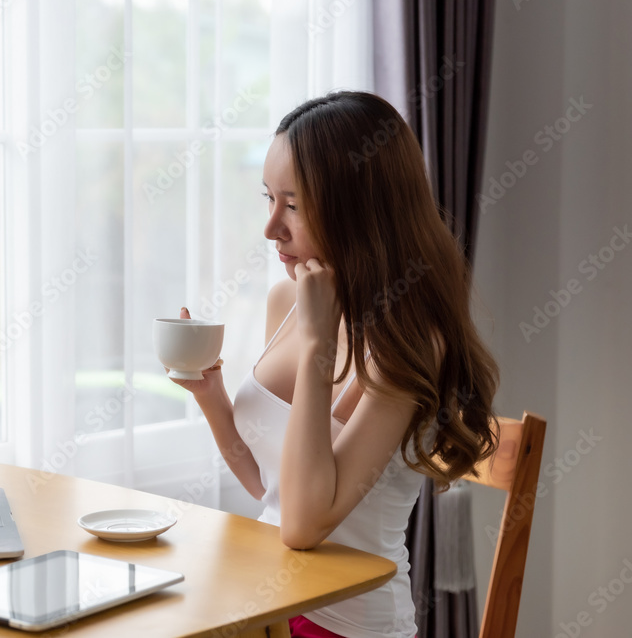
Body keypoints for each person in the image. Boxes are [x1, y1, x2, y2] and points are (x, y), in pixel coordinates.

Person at [168, 91, 500, 638]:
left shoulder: (407, 348)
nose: (272, 227)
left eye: (293, 206)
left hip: (345, 623)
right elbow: (266, 486)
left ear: (361, 207)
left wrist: (320, 341)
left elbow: (301, 523)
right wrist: (212, 397)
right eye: (268, 199)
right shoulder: (286, 301)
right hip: (269, 604)